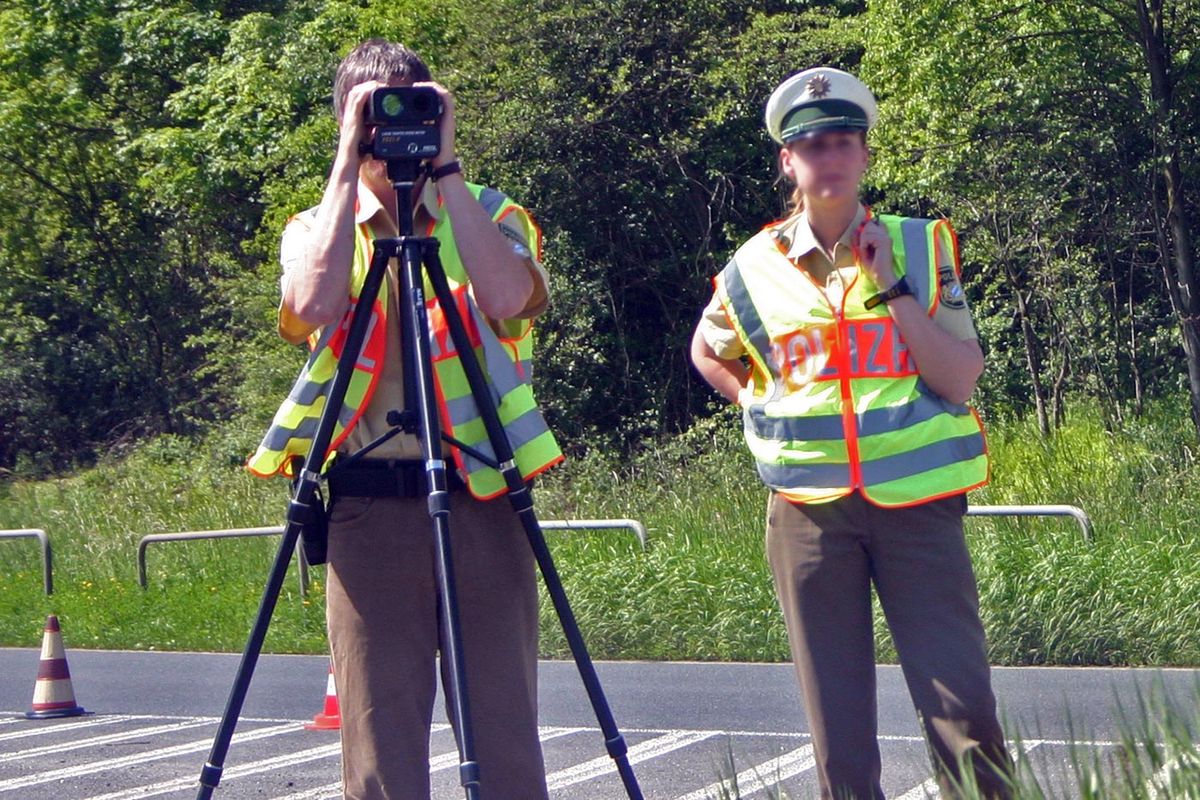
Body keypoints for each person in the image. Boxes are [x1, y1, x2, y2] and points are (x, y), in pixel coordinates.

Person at [246, 39, 562, 800]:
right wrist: (344, 166)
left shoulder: (487, 211)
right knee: (380, 751)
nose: (394, 129)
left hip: (481, 495)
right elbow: (310, 307)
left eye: (409, 105)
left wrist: (445, 170)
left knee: (504, 735)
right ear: (347, 123)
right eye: (372, 112)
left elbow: (508, 298)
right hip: (365, 503)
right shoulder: (317, 226)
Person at [690, 67, 1012, 799]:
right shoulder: (751, 266)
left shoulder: (921, 247)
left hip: (917, 508)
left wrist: (891, 284)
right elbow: (707, 351)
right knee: (837, 727)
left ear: (865, 154)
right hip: (806, 512)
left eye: (842, 141)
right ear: (787, 161)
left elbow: (960, 378)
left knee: (962, 709)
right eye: (810, 145)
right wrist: (757, 404)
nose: (827, 157)